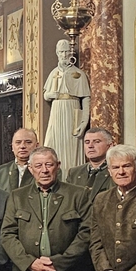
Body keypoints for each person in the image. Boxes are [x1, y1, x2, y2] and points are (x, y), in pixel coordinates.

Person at [0, 147, 95, 271]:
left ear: (58, 166)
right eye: (38, 165)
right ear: (30, 168)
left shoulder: (78, 194)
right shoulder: (17, 196)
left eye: (49, 164)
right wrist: (29, 263)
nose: (44, 170)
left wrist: (58, 263)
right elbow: (7, 234)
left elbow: (87, 233)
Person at [42, 40, 90, 172]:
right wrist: (52, 94)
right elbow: (45, 95)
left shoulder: (79, 74)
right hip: (57, 110)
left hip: (72, 110)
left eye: (66, 51)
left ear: (71, 52)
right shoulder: (53, 73)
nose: (64, 55)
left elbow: (86, 98)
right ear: (57, 53)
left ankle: (71, 175)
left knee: (72, 144)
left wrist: (84, 121)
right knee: (54, 141)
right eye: (61, 52)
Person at [65, 127, 114, 198]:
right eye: (87, 142)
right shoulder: (74, 173)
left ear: (110, 145)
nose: (90, 146)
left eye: (97, 141)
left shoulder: (116, 171)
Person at [0, 128, 39, 192]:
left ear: (37, 146)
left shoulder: (44, 171)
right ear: (12, 147)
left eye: (28, 142)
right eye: (18, 142)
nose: (22, 146)